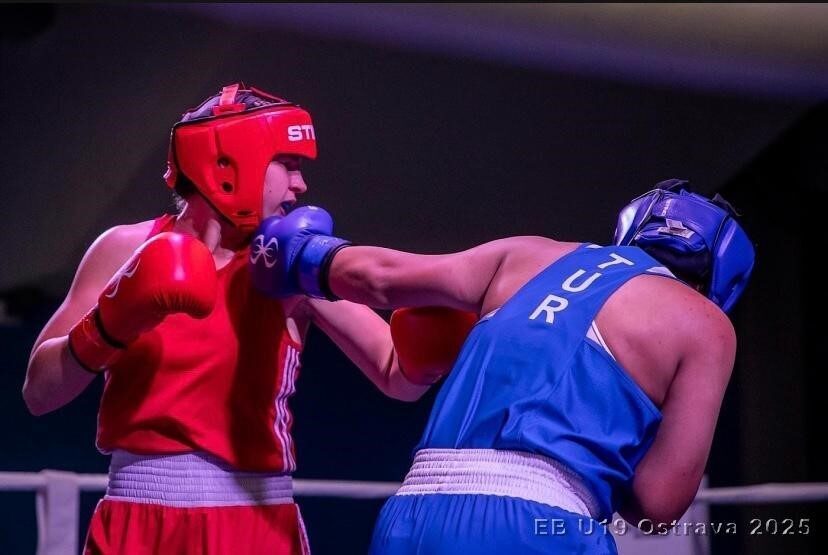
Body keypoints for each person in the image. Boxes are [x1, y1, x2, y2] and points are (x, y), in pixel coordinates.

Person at [22, 83, 475, 555]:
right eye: (289, 165)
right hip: (135, 516)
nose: (301, 186)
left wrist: (433, 347)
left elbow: (395, 375)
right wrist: (112, 321)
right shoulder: (123, 248)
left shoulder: (293, 261)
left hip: (252, 521)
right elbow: (39, 392)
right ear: (230, 162)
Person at [247, 179, 755, 554]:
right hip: (540, 524)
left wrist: (297, 255)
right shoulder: (706, 326)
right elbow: (658, 504)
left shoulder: (527, 253)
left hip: (413, 513)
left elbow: (380, 279)